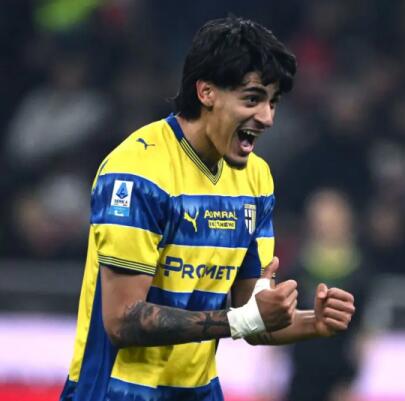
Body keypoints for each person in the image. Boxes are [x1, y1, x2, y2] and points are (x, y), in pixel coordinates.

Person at [60, 17, 356, 401]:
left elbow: (251, 316)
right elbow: (122, 320)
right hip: (116, 392)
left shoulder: (256, 179)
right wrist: (240, 320)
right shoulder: (137, 173)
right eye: (252, 99)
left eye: (273, 102)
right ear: (206, 92)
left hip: (198, 392)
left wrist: (311, 322)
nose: (267, 117)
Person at [285, 189, 366, 401]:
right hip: (300, 375)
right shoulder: (297, 268)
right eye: (320, 219)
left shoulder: (360, 272)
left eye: (332, 218)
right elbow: (281, 323)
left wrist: (351, 382)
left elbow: (364, 332)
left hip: (338, 378)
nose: (326, 225)